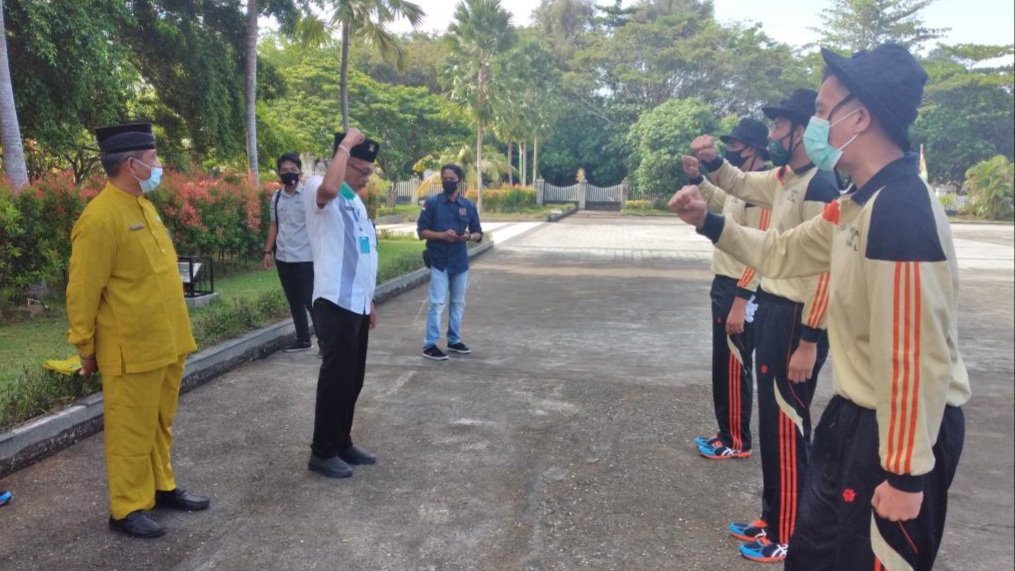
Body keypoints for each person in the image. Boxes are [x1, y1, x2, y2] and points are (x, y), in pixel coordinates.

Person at [670, 43, 969, 571]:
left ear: (861, 116)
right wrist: (707, 222)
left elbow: (910, 352)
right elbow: (782, 251)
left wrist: (903, 474)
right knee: (812, 555)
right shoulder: (857, 201)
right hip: (855, 415)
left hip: (898, 434)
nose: (817, 125)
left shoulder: (900, 209)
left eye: (824, 112)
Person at [686, 89, 840, 563]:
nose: (771, 134)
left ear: (798, 132)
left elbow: (827, 271)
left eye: (777, 127)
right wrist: (711, 163)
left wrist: (811, 338)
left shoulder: (821, 186)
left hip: (797, 319)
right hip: (775, 308)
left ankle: (789, 531)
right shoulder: (786, 177)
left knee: (789, 426)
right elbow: (741, 184)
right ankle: (774, 516)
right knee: (772, 427)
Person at [66, 122, 209, 538]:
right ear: (131, 164)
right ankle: (126, 508)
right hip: (131, 349)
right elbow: (82, 291)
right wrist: (85, 348)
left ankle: (161, 487)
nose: (159, 166)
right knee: (131, 430)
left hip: (167, 340)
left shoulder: (143, 205)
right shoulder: (99, 218)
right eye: (154, 160)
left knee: (160, 423)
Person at [685, 118, 772, 462]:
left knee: (735, 366)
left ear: (751, 149)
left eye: (734, 146)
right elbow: (719, 199)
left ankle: (737, 440)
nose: (730, 152)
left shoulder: (762, 193)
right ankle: (726, 431)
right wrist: (696, 177)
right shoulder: (743, 188)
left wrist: (742, 300)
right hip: (725, 283)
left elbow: (762, 251)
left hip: (741, 289)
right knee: (723, 363)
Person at [303, 129, 380, 479]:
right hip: (334, 301)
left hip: (358, 303)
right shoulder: (319, 186)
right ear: (343, 161)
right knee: (335, 377)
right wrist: (345, 146)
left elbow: (363, 252)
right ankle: (322, 451)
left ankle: (342, 440)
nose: (366, 178)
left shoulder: (356, 201)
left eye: (369, 172)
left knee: (354, 378)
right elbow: (329, 190)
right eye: (361, 170)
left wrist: (369, 299)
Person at [416, 164, 484, 361]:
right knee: (437, 303)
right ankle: (430, 344)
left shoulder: (467, 206)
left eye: (451, 179)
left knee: (458, 303)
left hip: (460, 261)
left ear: (459, 181)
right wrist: (442, 235)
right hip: (439, 260)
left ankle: (454, 340)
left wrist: (468, 237)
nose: (447, 182)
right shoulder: (432, 203)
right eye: (444, 178)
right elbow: (421, 232)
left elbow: (479, 233)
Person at [263, 153, 317, 353]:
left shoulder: (309, 196)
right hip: (283, 257)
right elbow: (274, 225)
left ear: (300, 171)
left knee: (310, 301)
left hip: (305, 257)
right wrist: (267, 251)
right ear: (279, 173)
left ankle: (324, 342)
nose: (288, 174)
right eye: (284, 171)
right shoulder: (276, 197)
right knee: (293, 300)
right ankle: (303, 340)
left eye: (292, 170)